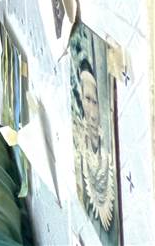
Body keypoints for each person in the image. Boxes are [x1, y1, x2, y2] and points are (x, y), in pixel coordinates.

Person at [74, 57, 117, 237]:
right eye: (87, 99)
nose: (92, 113)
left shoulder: (109, 154)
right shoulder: (79, 148)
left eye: (95, 102)